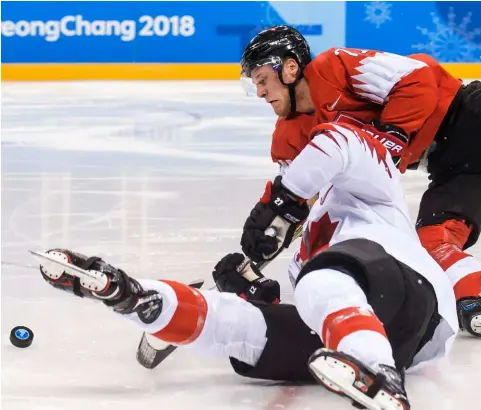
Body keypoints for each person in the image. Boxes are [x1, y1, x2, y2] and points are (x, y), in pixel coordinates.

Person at [36, 122, 457, 410]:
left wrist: (285, 199)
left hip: (418, 304)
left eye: (292, 164)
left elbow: (338, 142)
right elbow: (318, 310)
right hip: (395, 345)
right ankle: (130, 294)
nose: (287, 168)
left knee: (321, 278)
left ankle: (376, 370)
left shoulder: (373, 186)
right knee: (237, 326)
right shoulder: (301, 259)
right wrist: (258, 295)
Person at [238, 25, 481, 338]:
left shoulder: (334, 67)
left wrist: (394, 132)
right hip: (451, 166)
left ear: (289, 68)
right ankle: (480, 300)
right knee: (433, 242)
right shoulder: (288, 138)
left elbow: (416, 77)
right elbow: (301, 201)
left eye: (261, 79)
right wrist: (265, 241)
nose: (260, 92)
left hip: (471, 115)